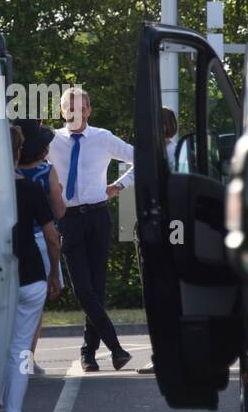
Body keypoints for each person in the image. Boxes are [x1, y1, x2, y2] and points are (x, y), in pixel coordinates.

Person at [0, 125, 62, 412]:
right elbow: (52, 237)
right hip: (29, 276)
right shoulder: (30, 190)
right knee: (20, 350)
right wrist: (53, 273)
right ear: (18, 153)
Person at [47, 86, 134, 372]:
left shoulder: (102, 138)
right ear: (62, 111)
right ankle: (116, 347)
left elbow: (142, 158)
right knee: (83, 288)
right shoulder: (52, 141)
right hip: (69, 219)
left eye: (80, 108)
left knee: (97, 287)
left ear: (88, 111)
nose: (75, 113)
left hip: (98, 216)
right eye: (69, 108)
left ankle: (89, 353)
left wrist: (119, 186)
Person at [16, 119, 66, 374]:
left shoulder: (10, 173)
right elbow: (58, 211)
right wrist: (58, 191)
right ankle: (28, 360)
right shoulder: (47, 172)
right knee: (34, 309)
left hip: (12, 239)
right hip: (39, 240)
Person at [139, 105, 178, 375]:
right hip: (169, 226)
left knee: (160, 293)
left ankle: (164, 353)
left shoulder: (163, 154)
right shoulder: (175, 151)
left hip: (161, 227)